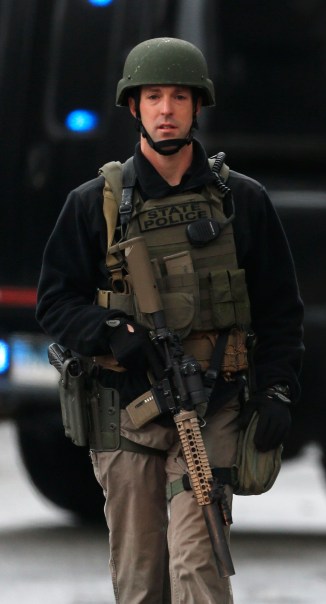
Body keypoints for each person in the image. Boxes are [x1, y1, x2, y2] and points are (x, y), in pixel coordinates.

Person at [36, 37, 304, 602]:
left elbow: (280, 308)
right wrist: (111, 332)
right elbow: (55, 302)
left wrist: (277, 389)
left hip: (214, 406)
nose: (165, 110)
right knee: (139, 576)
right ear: (134, 107)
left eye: (178, 97)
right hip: (124, 411)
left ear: (197, 106)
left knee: (198, 562)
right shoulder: (94, 203)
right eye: (152, 97)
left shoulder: (241, 201)